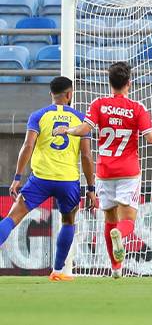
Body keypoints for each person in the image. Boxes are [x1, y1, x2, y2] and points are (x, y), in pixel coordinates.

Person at [55, 62, 152, 278]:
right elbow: (150, 138)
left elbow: (84, 129)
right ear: (129, 83)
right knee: (127, 220)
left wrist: (68, 130)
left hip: (104, 172)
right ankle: (119, 235)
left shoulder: (99, 104)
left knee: (109, 218)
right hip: (128, 172)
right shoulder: (137, 107)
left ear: (109, 82)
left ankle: (116, 268)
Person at [0, 76, 97, 281]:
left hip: (40, 179)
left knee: (12, 217)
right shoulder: (81, 119)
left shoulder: (38, 115)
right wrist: (91, 188)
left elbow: (28, 146)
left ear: (51, 94)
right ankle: (57, 271)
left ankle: (58, 271)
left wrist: (17, 177)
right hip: (68, 181)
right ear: (70, 94)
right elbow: (87, 156)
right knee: (68, 222)